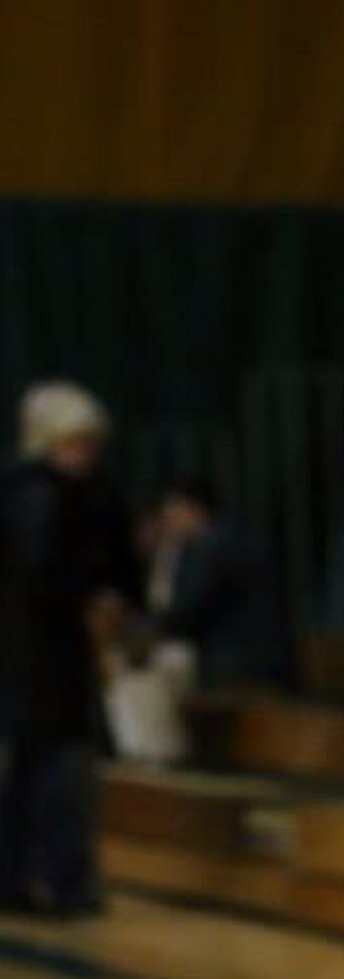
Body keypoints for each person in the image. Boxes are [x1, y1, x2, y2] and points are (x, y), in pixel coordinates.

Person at [0, 381, 139, 915]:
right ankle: (61, 882)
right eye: (72, 442)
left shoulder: (71, 494)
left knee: (37, 771)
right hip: (43, 655)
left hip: (46, 656)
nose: (82, 454)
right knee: (54, 773)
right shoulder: (42, 495)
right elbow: (52, 574)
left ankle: (34, 879)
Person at [156, 478, 289, 691]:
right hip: (258, 662)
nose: (168, 520)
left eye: (173, 510)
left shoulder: (214, 548)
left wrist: (142, 627)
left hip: (241, 668)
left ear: (195, 509)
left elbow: (190, 608)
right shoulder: (227, 537)